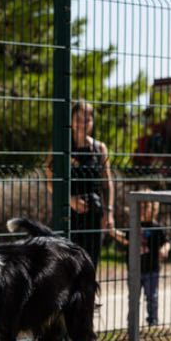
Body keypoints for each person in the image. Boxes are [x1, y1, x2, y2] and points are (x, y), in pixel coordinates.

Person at [46, 100, 116, 268]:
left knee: (90, 266)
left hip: (94, 214)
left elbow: (107, 183)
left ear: (92, 122)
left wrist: (109, 212)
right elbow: (50, 183)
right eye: (78, 118)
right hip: (67, 215)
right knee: (67, 267)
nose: (82, 123)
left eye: (88, 119)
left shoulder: (100, 148)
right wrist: (70, 200)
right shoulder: (60, 146)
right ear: (71, 120)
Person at [137, 200, 170, 326]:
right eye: (140, 207)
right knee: (133, 299)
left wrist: (164, 249)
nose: (142, 210)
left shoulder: (157, 227)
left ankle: (153, 320)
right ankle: (132, 323)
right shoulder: (134, 225)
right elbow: (126, 240)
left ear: (154, 209)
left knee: (152, 297)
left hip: (152, 269)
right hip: (135, 269)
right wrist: (112, 232)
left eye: (145, 207)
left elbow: (167, 241)